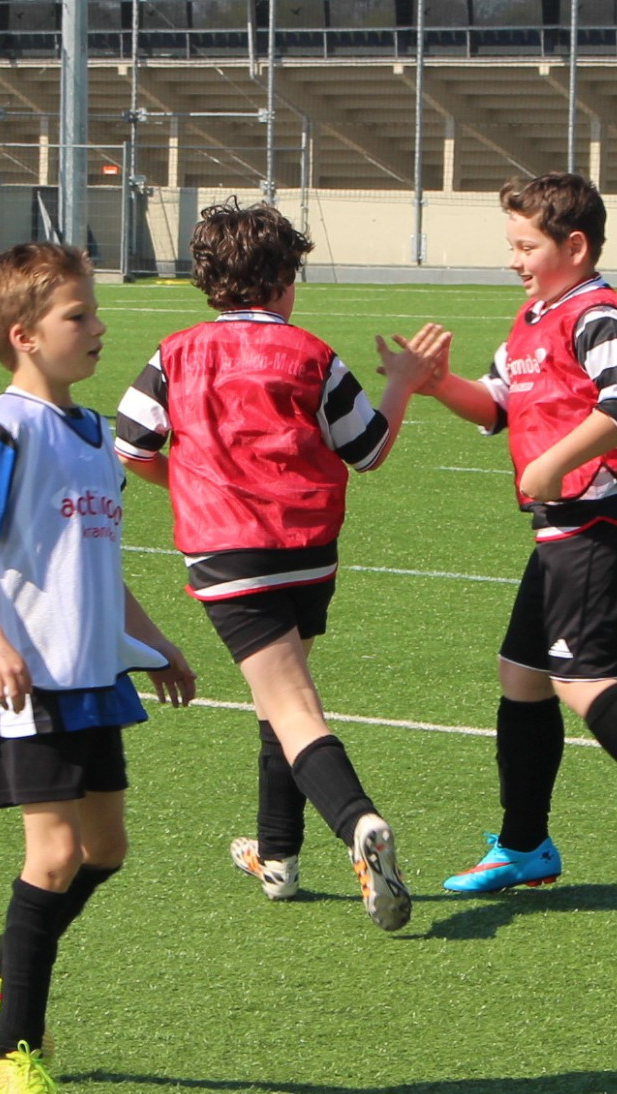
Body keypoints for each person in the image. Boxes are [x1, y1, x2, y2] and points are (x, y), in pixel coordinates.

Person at [400, 173, 617, 902]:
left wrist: (554, 463)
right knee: (522, 675)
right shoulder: (533, 316)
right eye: (512, 246)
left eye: (526, 247)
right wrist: (439, 386)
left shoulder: (598, 312)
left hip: (602, 519)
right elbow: (498, 405)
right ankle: (525, 845)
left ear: (576, 246)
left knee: (579, 676)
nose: (514, 260)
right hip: (563, 527)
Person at [0, 243, 197, 1094]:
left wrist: (154, 644)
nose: (97, 328)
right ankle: (11, 1054)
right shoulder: (5, 429)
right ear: (24, 336)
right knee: (51, 857)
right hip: (28, 680)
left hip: (92, 675)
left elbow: (99, 565)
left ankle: (8, 959)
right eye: (77, 316)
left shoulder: (90, 436)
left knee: (105, 850)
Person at [114, 200, 440, 932]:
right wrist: (403, 382)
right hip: (308, 554)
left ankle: (358, 823)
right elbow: (368, 449)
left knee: (289, 707)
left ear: (208, 280)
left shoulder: (175, 352)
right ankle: (279, 858)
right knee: (280, 701)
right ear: (287, 280)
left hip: (230, 554)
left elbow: (132, 446)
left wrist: (192, 486)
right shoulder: (312, 354)